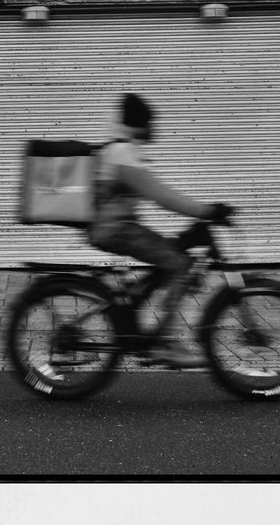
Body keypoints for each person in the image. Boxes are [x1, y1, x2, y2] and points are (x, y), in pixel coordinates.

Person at [87, 93, 234, 368]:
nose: (154, 128)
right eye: (150, 122)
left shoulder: (125, 149)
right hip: (115, 230)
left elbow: (156, 193)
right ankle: (166, 343)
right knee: (178, 264)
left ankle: (138, 304)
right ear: (140, 124)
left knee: (171, 253)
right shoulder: (122, 153)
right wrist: (208, 211)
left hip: (121, 227)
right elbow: (161, 196)